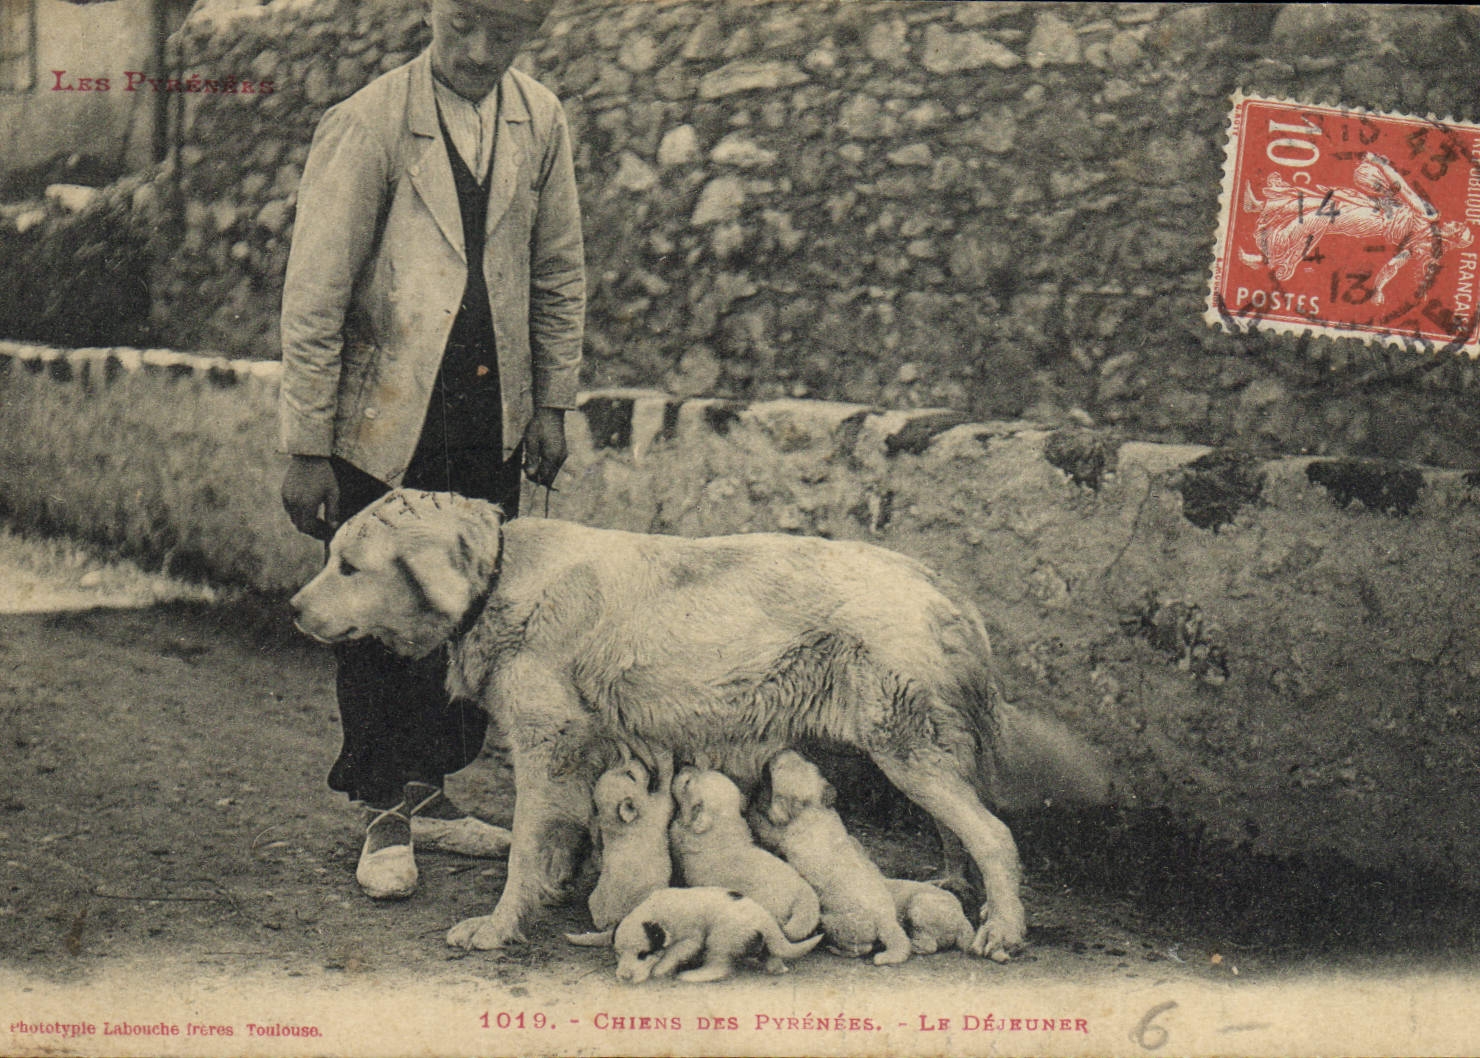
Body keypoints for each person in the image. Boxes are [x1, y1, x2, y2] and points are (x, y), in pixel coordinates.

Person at [277, 0, 583, 900]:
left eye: (506, 34)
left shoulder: (543, 119)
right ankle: (384, 815)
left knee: (469, 610)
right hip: (383, 421)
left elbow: (560, 269)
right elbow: (315, 294)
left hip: (489, 418)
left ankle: (436, 796)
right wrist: (307, 447)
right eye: (462, 27)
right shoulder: (370, 121)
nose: (481, 53)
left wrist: (552, 404)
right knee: (377, 618)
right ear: (427, 13)